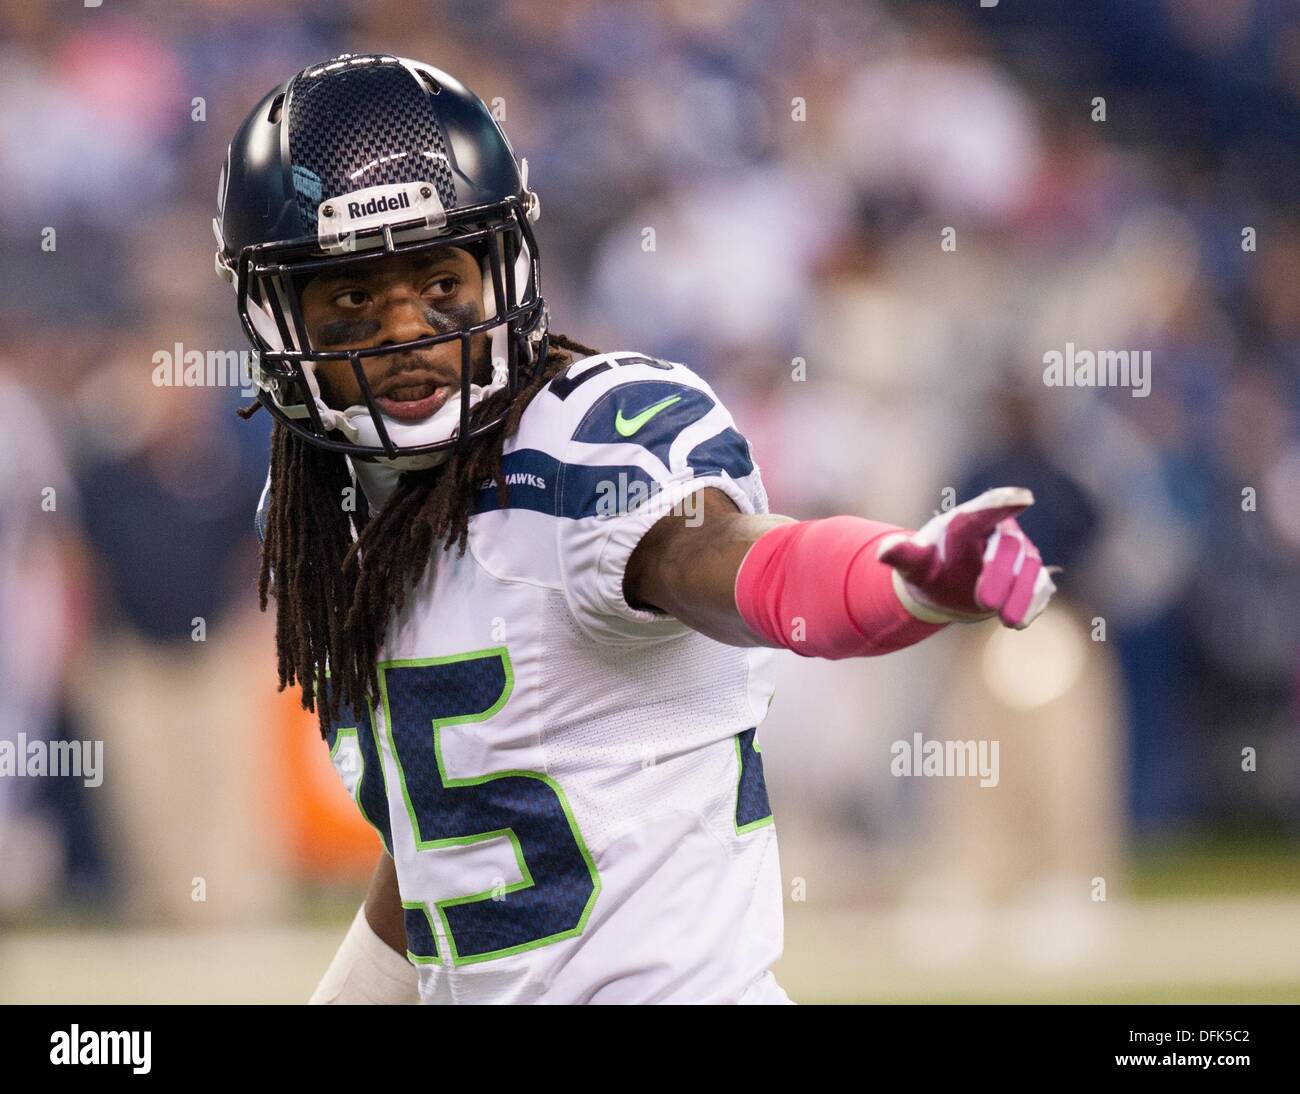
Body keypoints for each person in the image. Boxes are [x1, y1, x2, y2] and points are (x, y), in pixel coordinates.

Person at [214, 52, 1057, 1004]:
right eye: (355, 298)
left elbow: (723, 556)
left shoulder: (577, 444)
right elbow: (447, 848)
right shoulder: (336, 525)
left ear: (504, 271)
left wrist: (892, 580)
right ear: (274, 316)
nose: (409, 329)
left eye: (440, 282)